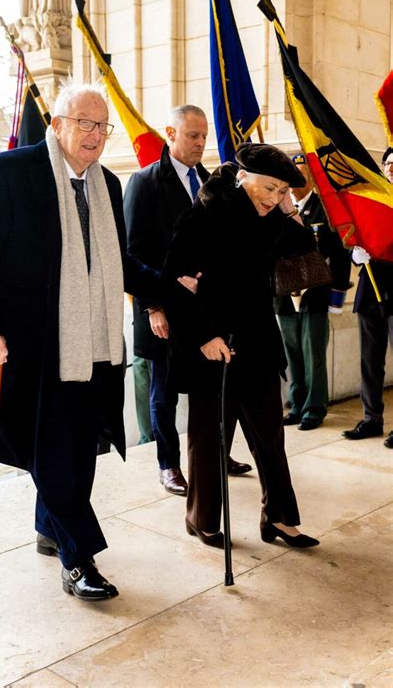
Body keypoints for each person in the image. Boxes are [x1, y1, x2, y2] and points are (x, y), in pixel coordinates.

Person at [0, 83, 167, 602]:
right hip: (31, 350)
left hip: (95, 346)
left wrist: (169, 289)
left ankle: (50, 528)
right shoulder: (11, 173)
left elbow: (121, 265)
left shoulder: (109, 186)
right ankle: (79, 559)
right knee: (54, 455)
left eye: (102, 126)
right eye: (84, 123)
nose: (94, 134)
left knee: (81, 450)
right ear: (58, 124)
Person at [163, 143, 320, 549]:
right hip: (213, 345)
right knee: (209, 438)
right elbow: (172, 288)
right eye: (269, 188)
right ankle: (202, 520)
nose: (274, 197)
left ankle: (280, 520)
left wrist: (289, 211)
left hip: (259, 342)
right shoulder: (201, 217)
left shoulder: (272, 221)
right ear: (242, 176)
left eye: (282, 190)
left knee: (270, 437)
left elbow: (312, 267)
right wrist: (204, 337)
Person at [124, 105, 251, 496]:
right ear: (170, 133)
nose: (200, 143)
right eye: (192, 135)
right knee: (163, 393)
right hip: (163, 308)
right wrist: (153, 307)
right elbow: (132, 252)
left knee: (210, 388)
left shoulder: (211, 181)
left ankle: (214, 455)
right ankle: (169, 464)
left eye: (204, 136)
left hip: (205, 310)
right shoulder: (144, 182)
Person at [275, 153, 351, 430]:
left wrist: (337, 296)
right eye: (293, 173)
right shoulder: (276, 208)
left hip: (315, 294)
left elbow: (341, 255)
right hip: (284, 295)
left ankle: (315, 407)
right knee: (292, 352)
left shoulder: (324, 209)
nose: (297, 179)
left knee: (314, 353)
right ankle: (296, 404)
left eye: (302, 173)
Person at [343, 146, 393, 448]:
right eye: (388, 162)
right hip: (371, 288)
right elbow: (353, 232)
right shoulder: (370, 196)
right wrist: (355, 254)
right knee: (370, 361)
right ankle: (371, 418)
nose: (391, 167)